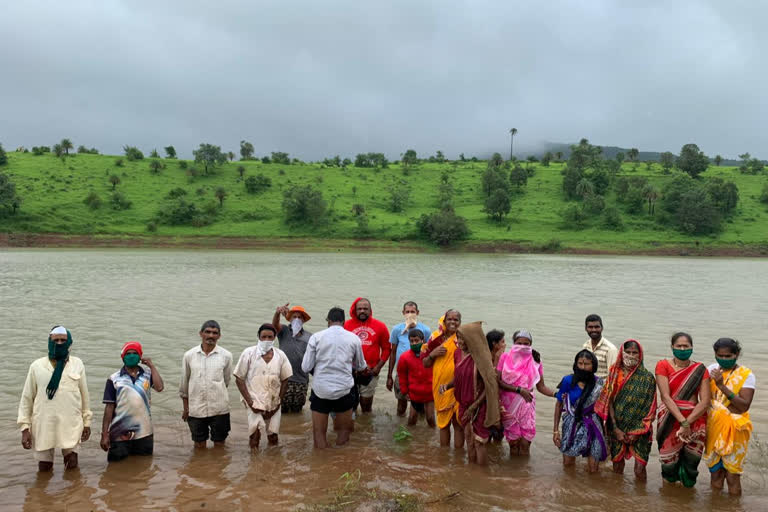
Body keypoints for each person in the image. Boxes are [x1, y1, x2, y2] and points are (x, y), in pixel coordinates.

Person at [17, 326, 92, 472]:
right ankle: (43, 494)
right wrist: (25, 428)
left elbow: (84, 395)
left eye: (63, 340)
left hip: (71, 422)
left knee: (72, 463)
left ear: (69, 342)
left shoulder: (77, 364)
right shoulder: (37, 366)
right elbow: (27, 398)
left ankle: (73, 493)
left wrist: (87, 422)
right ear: (49, 341)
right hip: (44, 422)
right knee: (44, 467)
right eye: (55, 340)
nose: (59, 343)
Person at [302, 307, 368, 449]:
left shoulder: (316, 337)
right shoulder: (354, 338)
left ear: (328, 321)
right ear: (343, 322)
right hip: (344, 389)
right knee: (344, 431)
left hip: (321, 390)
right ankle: (340, 461)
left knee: (319, 433)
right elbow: (361, 366)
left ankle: (322, 463)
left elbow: (306, 367)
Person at [595, 339, 657, 480]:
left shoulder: (647, 378)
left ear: (640, 355)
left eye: (634, 353)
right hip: (617, 426)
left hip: (640, 430)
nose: (630, 355)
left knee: (639, 469)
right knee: (617, 465)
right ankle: (617, 496)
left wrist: (637, 432)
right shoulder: (614, 373)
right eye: (627, 352)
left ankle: (641, 498)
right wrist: (615, 428)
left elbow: (651, 408)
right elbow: (608, 401)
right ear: (622, 353)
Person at [655, 332, 711, 488]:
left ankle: (686, 499)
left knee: (691, 464)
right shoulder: (663, 365)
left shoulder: (700, 369)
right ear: (672, 347)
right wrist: (682, 422)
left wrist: (688, 423)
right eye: (678, 346)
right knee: (668, 463)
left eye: (686, 346)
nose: (682, 348)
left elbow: (705, 401)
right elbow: (666, 396)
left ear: (692, 347)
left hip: (695, 421)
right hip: (670, 418)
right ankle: (669, 499)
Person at [442, 321, 501, 465]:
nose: (460, 342)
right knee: (468, 439)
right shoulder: (457, 354)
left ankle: (482, 476)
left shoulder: (481, 359)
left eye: (463, 338)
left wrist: (473, 407)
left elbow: (490, 386)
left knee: (479, 442)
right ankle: (472, 473)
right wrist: (447, 386)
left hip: (479, 406)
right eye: (458, 338)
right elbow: (459, 377)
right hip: (463, 404)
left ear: (472, 339)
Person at [705, 338, 755, 496]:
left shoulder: (746, 375)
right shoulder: (711, 369)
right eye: (720, 355)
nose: (724, 359)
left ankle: (733, 506)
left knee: (732, 476)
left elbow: (743, 405)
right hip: (713, 428)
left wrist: (721, 386)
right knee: (715, 473)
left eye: (728, 356)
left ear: (737, 354)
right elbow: (705, 398)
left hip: (735, 431)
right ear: (715, 354)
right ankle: (716, 504)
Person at [101, 341, 164, 462]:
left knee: (144, 468)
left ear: (140, 356)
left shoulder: (147, 374)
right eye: (128, 353)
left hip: (144, 433)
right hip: (119, 434)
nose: (131, 356)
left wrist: (152, 366)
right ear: (122, 356)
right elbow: (109, 407)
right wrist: (104, 434)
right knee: (116, 469)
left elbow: (160, 387)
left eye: (135, 353)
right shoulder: (114, 378)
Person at [233, 323, 293, 449]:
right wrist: (250, 403)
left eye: (270, 337)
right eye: (263, 337)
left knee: (273, 435)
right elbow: (239, 379)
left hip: (273, 401)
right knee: (254, 436)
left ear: (275, 337)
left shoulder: (280, 355)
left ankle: (272, 462)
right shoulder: (248, 353)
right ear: (258, 337)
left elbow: (285, 379)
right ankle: (254, 463)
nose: (267, 340)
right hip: (254, 400)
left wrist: (278, 402)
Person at [496, 329, 555, 456]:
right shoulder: (505, 357)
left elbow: (541, 386)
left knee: (525, 442)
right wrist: (519, 390)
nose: (522, 346)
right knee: (513, 442)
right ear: (514, 343)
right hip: (509, 405)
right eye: (519, 343)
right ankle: (514, 472)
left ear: (531, 345)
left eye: (526, 343)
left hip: (527, 405)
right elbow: (498, 382)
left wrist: (556, 394)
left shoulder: (535, 360)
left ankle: (524, 473)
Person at [179, 320, 233, 449]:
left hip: (219, 408)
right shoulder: (189, 355)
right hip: (196, 409)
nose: (211, 336)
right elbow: (184, 383)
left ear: (219, 336)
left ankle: (217, 467)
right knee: (199, 445)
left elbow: (226, 380)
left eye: (215, 333)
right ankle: (201, 468)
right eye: (207, 332)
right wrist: (186, 408)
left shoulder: (226, 356)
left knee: (220, 443)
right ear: (201, 334)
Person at [554, 350, 607, 473]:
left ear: (593, 365)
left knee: (594, 467)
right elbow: (558, 405)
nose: (583, 367)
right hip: (572, 422)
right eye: (580, 363)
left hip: (593, 424)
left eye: (587, 364)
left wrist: (606, 435)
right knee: (568, 464)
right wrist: (555, 431)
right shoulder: (567, 381)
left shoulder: (599, 383)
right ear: (576, 364)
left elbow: (604, 409)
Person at [422, 311, 463, 449]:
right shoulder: (435, 338)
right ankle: (444, 456)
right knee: (443, 424)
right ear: (444, 322)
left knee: (459, 424)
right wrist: (433, 354)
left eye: (456, 319)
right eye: (449, 319)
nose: (453, 322)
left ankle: (458, 458)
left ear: (460, 322)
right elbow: (425, 363)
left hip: (460, 385)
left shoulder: (463, 338)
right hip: (440, 386)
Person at [344, 298, 390, 413]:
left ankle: (366, 428)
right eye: (359, 309)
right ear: (355, 310)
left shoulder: (380, 326)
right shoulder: (346, 326)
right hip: (350, 373)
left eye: (365, 309)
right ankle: (354, 428)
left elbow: (386, 349)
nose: (362, 311)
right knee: (349, 406)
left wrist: (378, 368)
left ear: (370, 310)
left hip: (370, 372)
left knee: (366, 405)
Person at [386, 301, 432, 417]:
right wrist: (389, 375)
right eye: (407, 312)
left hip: (419, 373)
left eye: (413, 312)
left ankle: (421, 432)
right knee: (401, 404)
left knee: (421, 407)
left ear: (418, 313)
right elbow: (393, 352)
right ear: (403, 313)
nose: (410, 314)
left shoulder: (425, 330)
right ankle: (401, 426)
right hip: (402, 373)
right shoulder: (397, 329)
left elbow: (428, 352)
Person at [272, 303, 313, 413]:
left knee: (297, 411)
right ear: (289, 319)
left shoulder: (310, 336)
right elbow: (274, 325)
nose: (297, 319)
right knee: (280, 410)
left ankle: (295, 430)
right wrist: (277, 313)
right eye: (294, 317)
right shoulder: (284, 331)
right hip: (284, 379)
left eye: (300, 317)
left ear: (303, 320)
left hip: (301, 380)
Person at [396, 329, 435, 427]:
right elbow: (402, 375)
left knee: (430, 419)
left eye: (416, 340)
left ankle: (431, 440)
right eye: (411, 341)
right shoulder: (405, 357)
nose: (414, 343)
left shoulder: (431, 355)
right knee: (412, 419)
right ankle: (413, 440)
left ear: (423, 341)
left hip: (430, 392)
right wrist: (404, 392)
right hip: (414, 393)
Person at [582, 314, 618, 379]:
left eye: (596, 327)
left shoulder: (610, 349)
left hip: (603, 387)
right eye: (590, 327)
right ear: (586, 329)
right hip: (587, 384)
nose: (594, 330)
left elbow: (613, 375)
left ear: (602, 328)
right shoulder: (586, 346)